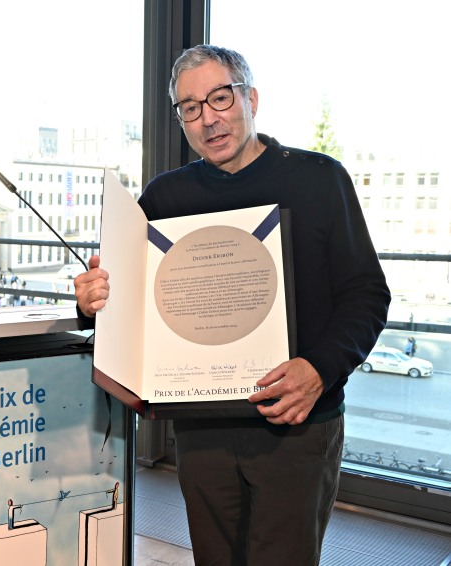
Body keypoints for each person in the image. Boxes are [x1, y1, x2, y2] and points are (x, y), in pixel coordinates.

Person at [74, 45, 390, 565]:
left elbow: (367, 295)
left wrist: (319, 370)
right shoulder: (163, 199)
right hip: (201, 432)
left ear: (251, 99)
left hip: (296, 425)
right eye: (190, 107)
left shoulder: (319, 179)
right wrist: (93, 301)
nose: (208, 118)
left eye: (220, 98)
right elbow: (130, 305)